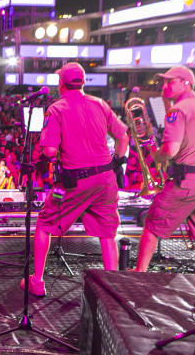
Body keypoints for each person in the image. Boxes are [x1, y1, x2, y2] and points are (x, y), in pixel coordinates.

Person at [22, 62, 129, 296]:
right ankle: (111, 285)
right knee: (108, 233)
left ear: (61, 83)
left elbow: (49, 151)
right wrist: (117, 161)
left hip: (74, 180)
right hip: (106, 178)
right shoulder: (100, 104)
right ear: (82, 82)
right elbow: (123, 137)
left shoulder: (57, 108)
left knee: (44, 223)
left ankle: (37, 282)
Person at [134, 66, 195, 275]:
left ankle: (138, 274)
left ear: (186, 83)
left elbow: (170, 150)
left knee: (152, 223)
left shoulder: (179, 110)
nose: (165, 86)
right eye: (163, 83)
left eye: (170, 82)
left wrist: (156, 155)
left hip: (189, 180)